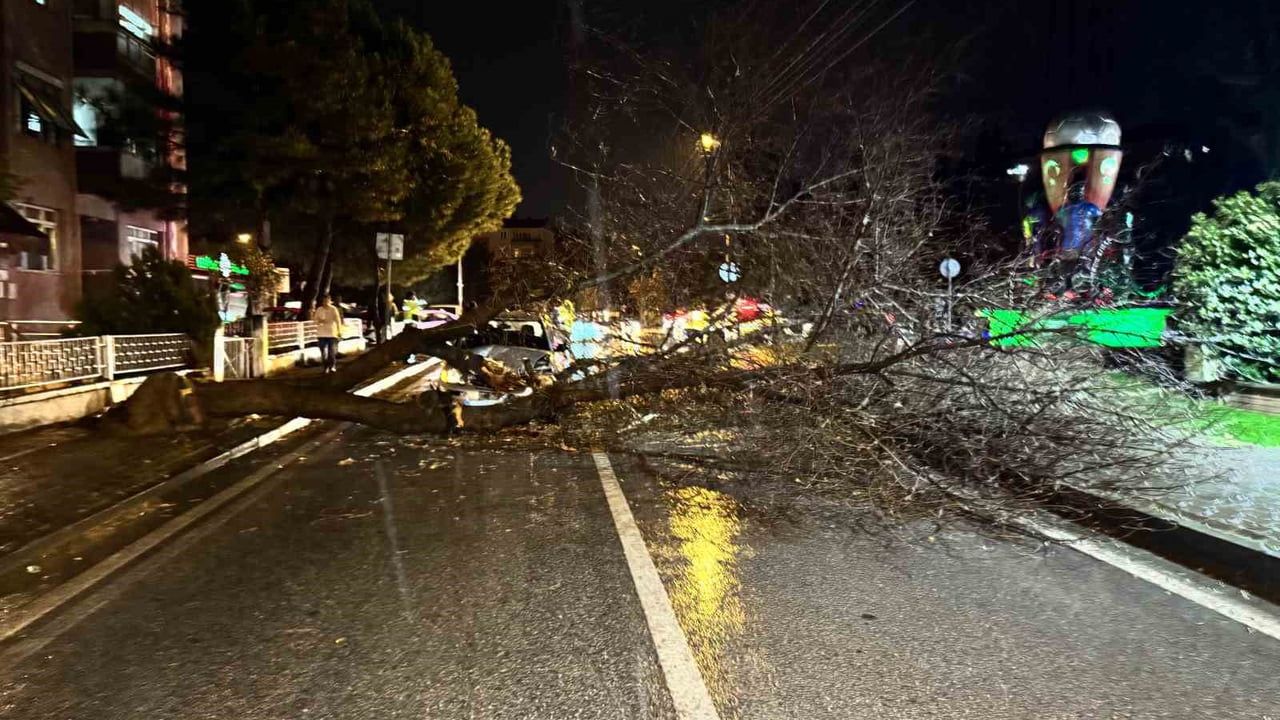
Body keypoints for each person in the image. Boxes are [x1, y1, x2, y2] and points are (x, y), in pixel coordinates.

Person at [313, 293, 343, 373]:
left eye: (327, 300)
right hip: (321, 333)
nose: (325, 302)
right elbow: (315, 320)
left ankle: (332, 366)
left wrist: (339, 331)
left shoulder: (333, 309)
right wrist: (319, 321)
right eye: (324, 301)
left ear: (330, 301)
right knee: (323, 352)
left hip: (332, 333)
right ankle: (325, 366)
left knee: (331, 351)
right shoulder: (319, 309)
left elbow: (338, 320)